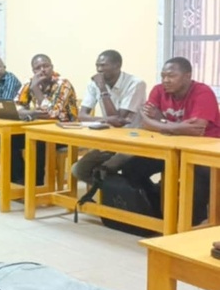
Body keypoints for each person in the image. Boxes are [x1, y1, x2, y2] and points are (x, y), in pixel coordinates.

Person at [137, 57, 220, 224]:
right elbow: (144, 122)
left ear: (187, 76)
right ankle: (157, 213)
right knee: (133, 167)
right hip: (171, 149)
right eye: (163, 76)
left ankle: (192, 226)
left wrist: (161, 121)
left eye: (171, 76)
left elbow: (196, 130)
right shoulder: (158, 90)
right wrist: (175, 127)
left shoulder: (203, 93)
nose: (166, 80)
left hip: (204, 153)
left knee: (195, 182)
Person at [71, 50, 146, 185]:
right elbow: (82, 116)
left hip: (134, 142)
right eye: (97, 66)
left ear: (117, 66)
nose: (99, 70)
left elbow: (119, 121)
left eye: (103, 66)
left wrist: (102, 89)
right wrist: (105, 120)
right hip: (109, 140)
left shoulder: (136, 83)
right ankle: (114, 195)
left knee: (104, 169)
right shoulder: (93, 83)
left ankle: (128, 197)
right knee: (78, 170)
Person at [13, 54, 78, 184]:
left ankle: (36, 185)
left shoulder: (63, 84)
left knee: (38, 141)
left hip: (66, 131)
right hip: (41, 128)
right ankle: (18, 180)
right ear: (33, 71)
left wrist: (36, 90)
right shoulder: (30, 82)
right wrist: (32, 112)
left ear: (52, 67)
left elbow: (53, 113)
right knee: (11, 139)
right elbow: (16, 106)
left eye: (46, 66)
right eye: (38, 68)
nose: (42, 70)